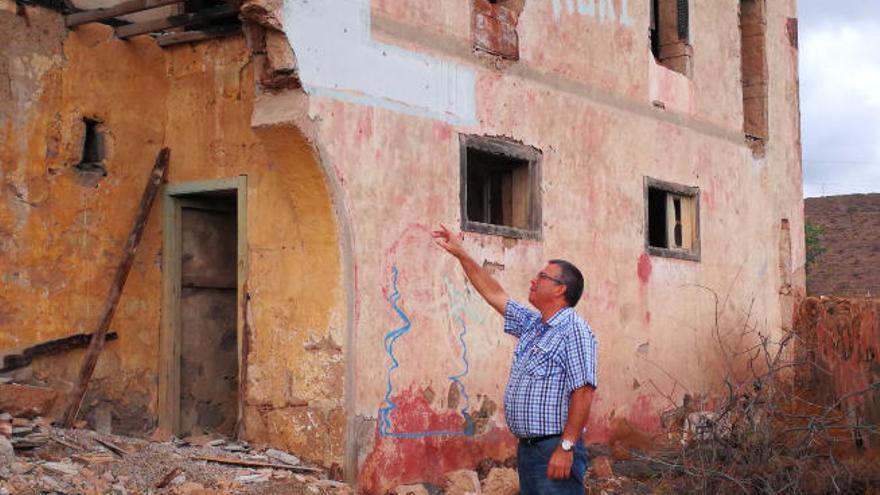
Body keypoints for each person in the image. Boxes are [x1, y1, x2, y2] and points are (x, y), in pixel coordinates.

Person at [432, 225, 598, 494]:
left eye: (542, 276)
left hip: (554, 448)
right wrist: (461, 254)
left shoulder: (574, 330)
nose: (533, 280)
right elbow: (494, 294)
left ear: (560, 290)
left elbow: (584, 391)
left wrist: (566, 447)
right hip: (529, 450)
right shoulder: (533, 324)